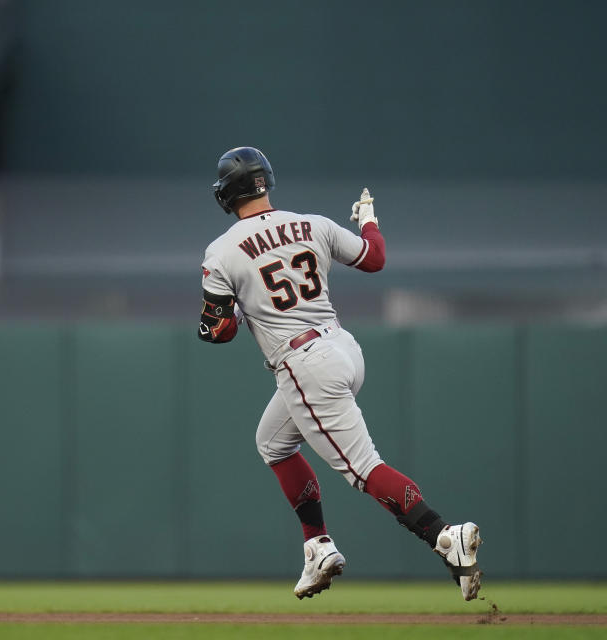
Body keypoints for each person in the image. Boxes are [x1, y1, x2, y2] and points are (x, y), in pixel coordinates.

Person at [197, 147, 483, 601]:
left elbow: (216, 331)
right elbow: (374, 259)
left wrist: (228, 313)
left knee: (364, 468)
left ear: (226, 193)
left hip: (304, 365)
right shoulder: (314, 223)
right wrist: (368, 220)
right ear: (266, 181)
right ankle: (318, 545)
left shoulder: (222, 250)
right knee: (272, 442)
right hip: (343, 348)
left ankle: (446, 537)